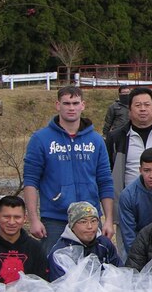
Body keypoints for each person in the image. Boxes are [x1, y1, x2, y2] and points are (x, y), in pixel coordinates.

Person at [23, 85, 115, 255]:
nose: (71, 108)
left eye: (75, 103)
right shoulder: (41, 139)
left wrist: (109, 220)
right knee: (55, 274)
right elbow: (30, 181)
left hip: (89, 219)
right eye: (66, 103)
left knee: (92, 272)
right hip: (55, 219)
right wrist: (33, 219)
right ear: (58, 105)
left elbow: (105, 182)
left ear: (83, 105)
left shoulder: (96, 141)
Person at [106, 86, 152, 197]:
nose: (143, 109)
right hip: (128, 200)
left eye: (147, 104)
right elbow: (109, 169)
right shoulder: (116, 137)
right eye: (138, 105)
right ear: (129, 111)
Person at [0, 195, 49, 291]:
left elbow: (42, 282)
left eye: (17, 217)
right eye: (6, 217)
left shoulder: (35, 247)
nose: (11, 222)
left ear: (25, 218)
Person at [48, 201, 121, 279]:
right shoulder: (60, 253)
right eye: (83, 222)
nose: (90, 226)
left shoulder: (104, 244)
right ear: (72, 226)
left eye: (93, 221)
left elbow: (119, 270)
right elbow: (61, 285)